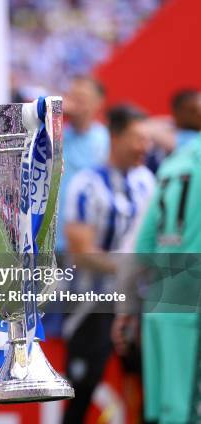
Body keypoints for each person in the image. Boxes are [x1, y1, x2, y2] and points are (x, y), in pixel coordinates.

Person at [61, 105, 154, 423]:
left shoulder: (148, 183)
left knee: (147, 397)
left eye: (147, 139)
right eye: (137, 138)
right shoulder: (86, 185)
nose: (144, 146)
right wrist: (133, 267)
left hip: (139, 309)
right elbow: (82, 252)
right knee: (80, 395)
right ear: (115, 136)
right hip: (93, 309)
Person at [118, 130, 201, 423]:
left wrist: (126, 309)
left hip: (159, 298)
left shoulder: (170, 165)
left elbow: (141, 247)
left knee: (162, 408)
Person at [56, 75, 110, 253]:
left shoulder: (106, 140)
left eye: (84, 98)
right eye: (74, 97)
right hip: (54, 241)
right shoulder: (53, 136)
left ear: (99, 102)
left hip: (89, 242)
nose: (78, 104)